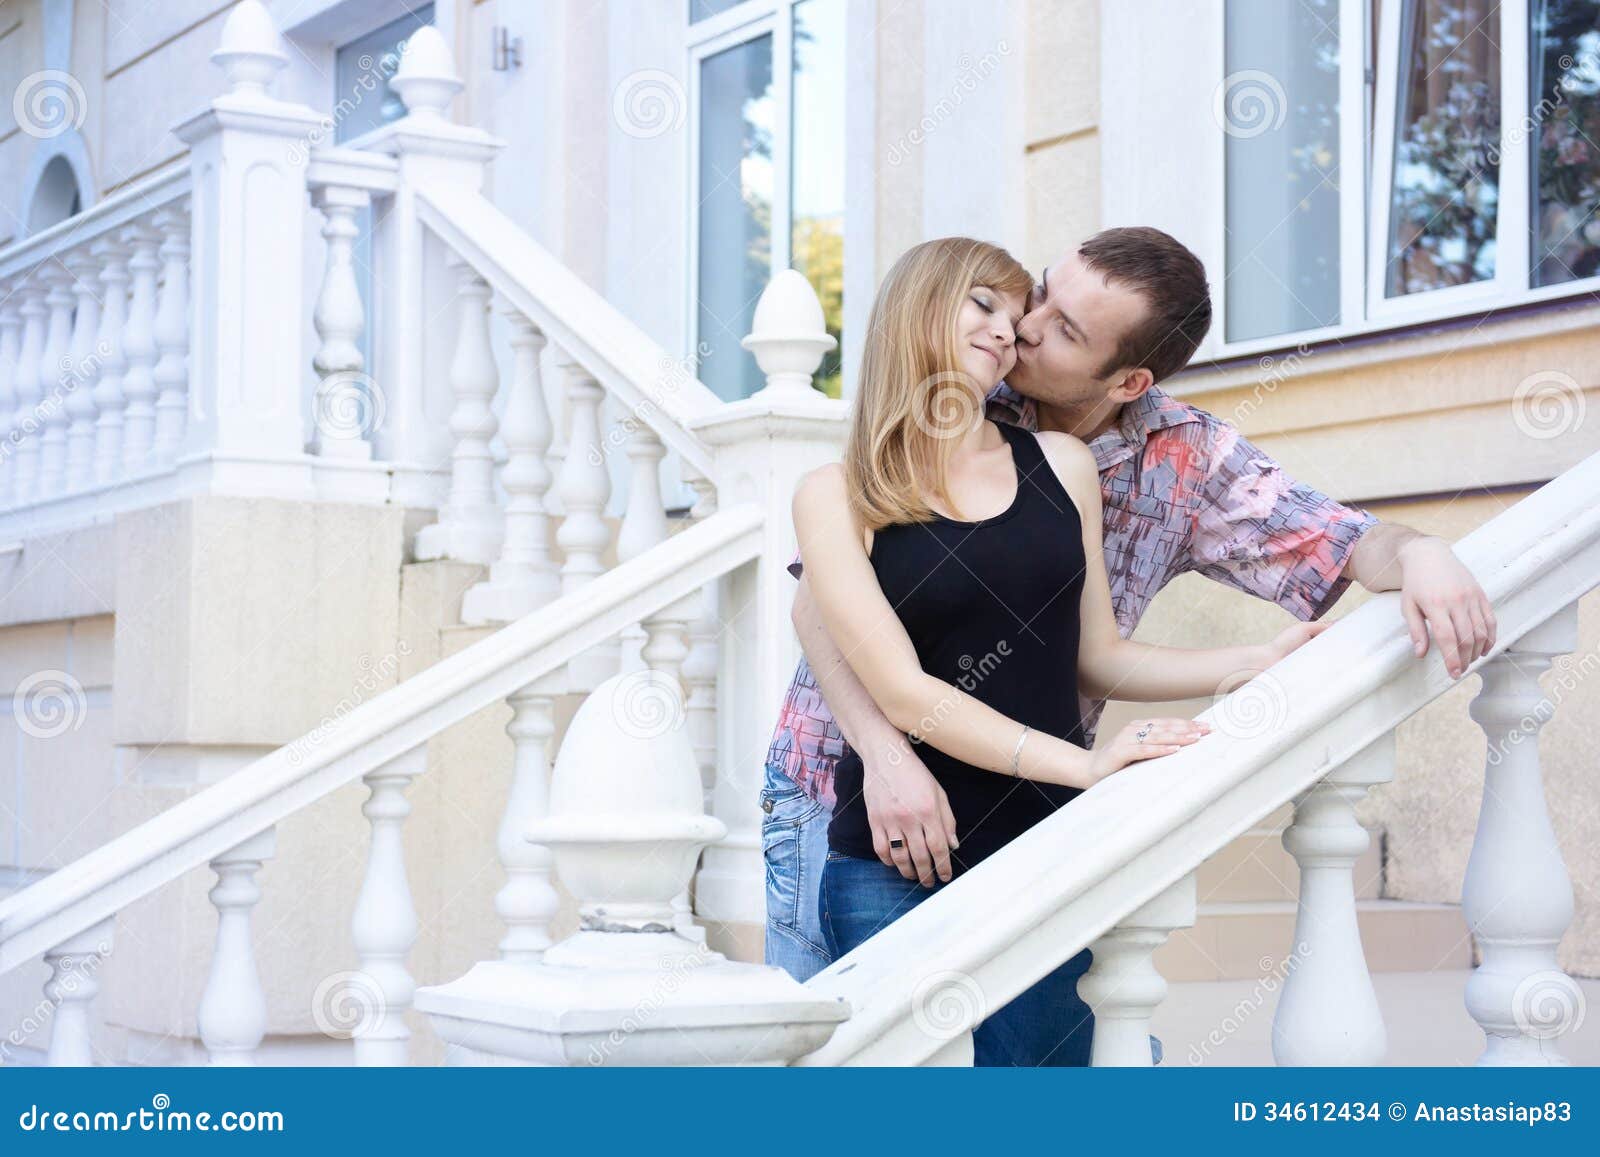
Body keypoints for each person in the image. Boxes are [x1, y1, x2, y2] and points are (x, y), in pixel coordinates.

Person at [764, 226, 1497, 1054]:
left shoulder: (1174, 457)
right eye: (1036, 293)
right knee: (837, 1076)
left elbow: (1333, 541)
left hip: (1030, 813)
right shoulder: (949, 394)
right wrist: (887, 751)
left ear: (1128, 378)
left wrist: (1423, 554)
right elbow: (816, 610)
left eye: (1064, 329)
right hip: (839, 779)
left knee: (1065, 1065)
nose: (1025, 328)